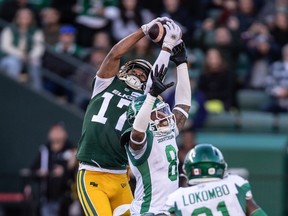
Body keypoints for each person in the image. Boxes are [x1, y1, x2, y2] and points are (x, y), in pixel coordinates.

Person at [76, 17, 182, 216]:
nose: (140, 75)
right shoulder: (105, 83)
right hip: (92, 173)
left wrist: (166, 49)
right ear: (125, 70)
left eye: (145, 74)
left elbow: (156, 78)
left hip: (120, 177)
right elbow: (114, 54)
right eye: (137, 70)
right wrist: (143, 30)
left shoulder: (145, 98)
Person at [120, 41, 191, 215]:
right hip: (148, 212)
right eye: (157, 113)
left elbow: (183, 106)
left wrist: (181, 64)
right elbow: (138, 133)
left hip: (167, 211)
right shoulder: (138, 142)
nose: (163, 115)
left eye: (162, 111)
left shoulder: (165, 130)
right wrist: (150, 97)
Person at [164, 143, 268, 216]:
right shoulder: (234, 184)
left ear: (188, 171)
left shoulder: (176, 198)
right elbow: (255, 212)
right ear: (220, 167)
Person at [30, 122, 74, 216]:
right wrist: (42, 173)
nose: (56, 134)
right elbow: (33, 170)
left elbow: (76, 170)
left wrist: (65, 169)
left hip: (68, 198)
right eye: (54, 131)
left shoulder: (72, 149)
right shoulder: (45, 151)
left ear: (64, 133)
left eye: (59, 131)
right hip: (47, 197)